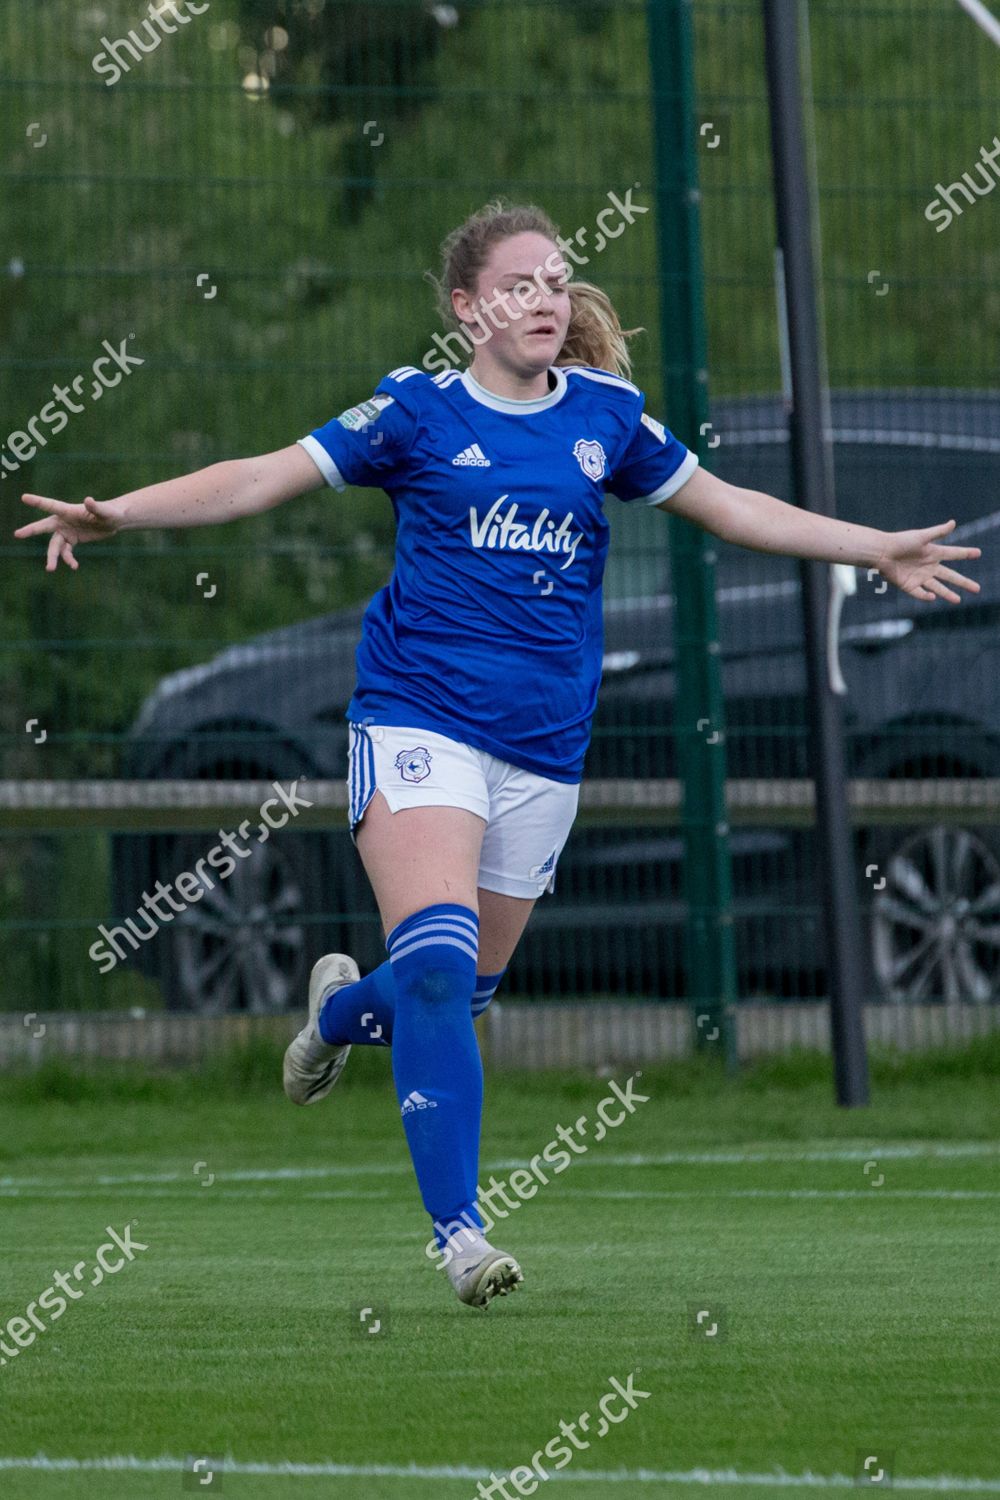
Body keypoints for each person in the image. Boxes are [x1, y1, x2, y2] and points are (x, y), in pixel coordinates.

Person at [15, 200, 982, 1310]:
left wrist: (876, 547)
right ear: (466, 309)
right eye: (518, 285)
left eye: (557, 281)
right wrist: (119, 514)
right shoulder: (413, 414)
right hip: (417, 721)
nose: (544, 299)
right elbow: (258, 476)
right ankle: (459, 1236)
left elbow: (731, 509)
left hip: (544, 751)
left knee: (459, 996)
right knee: (433, 967)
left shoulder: (608, 418)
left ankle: (337, 1014)